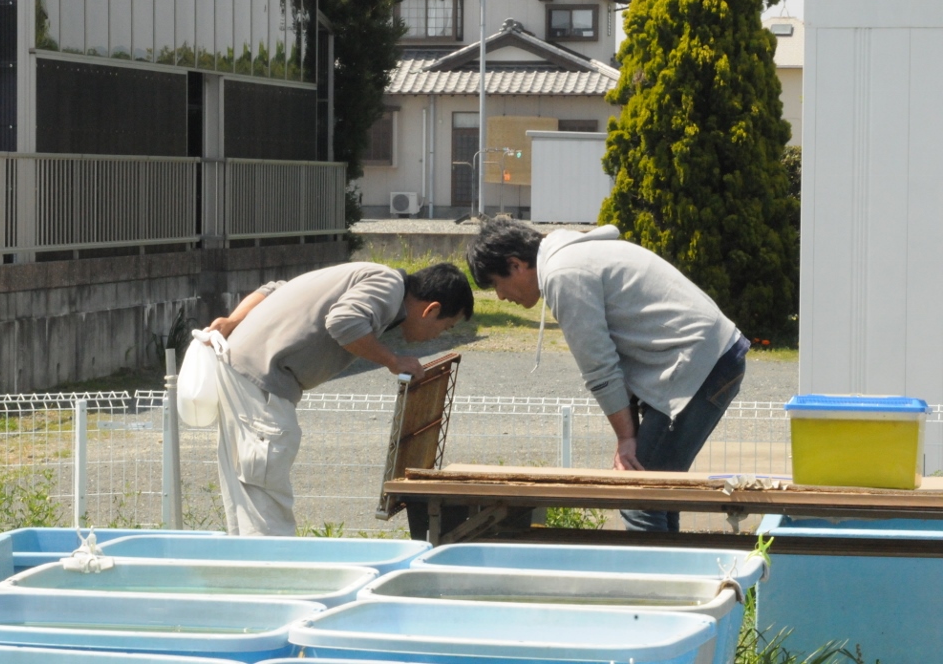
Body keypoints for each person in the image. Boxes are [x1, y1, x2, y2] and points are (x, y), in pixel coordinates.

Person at [466, 216, 748, 533]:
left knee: (638, 496)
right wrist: (629, 431)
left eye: (495, 284)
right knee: (657, 494)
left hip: (696, 363)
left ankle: (653, 583)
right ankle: (671, 575)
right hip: (710, 356)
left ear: (515, 264)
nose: (501, 296)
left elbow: (600, 367)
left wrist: (627, 438)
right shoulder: (575, 256)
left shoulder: (563, 274)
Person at [206, 261, 474, 536]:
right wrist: (393, 361)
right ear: (433, 310)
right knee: (264, 488)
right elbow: (343, 321)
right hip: (260, 381)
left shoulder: (371, 276)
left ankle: (249, 566)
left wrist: (234, 320)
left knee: (249, 491)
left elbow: (274, 289)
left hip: (242, 372)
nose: (438, 336)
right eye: (445, 327)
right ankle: (271, 569)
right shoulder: (389, 287)